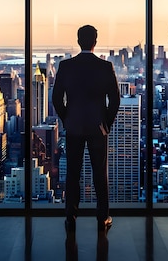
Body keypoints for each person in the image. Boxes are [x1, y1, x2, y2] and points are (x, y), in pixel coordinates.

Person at [52, 24, 120, 234]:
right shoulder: (105, 67)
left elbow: (56, 99)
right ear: (95, 42)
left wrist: (67, 119)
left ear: (78, 40)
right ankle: (103, 218)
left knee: (73, 174)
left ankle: (70, 218)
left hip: (74, 128)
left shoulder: (66, 66)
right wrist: (105, 123)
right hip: (97, 128)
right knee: (100, 174)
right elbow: (115, 99)